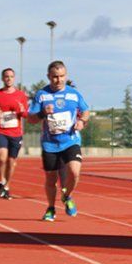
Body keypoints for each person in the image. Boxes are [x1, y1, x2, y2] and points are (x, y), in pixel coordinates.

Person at [28, 61, 90, 221]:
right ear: (49, 77)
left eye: (62, 76)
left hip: (71, 140)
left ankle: (67, 196)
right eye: (55, 77)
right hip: (50, 144)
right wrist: (42, 112)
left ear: (66, 76)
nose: (58, 80)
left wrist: (82, 121)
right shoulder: (42, 95)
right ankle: (50, 208)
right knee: (51, 179)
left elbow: (86, 111)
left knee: (75, 172)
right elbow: (31, 119)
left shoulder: (74, 94)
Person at [0, 68, 29, 199]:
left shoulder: (21, 95)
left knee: (11, 162)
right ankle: (1, 180)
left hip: (15, 133)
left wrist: (21, 111)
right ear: (2, 79)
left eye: (11, 76)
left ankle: (6, 186)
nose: (9, 79)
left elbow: (26, 114)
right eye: (6, 76)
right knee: (2, 157)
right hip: (0, 130)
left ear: (14, 78)